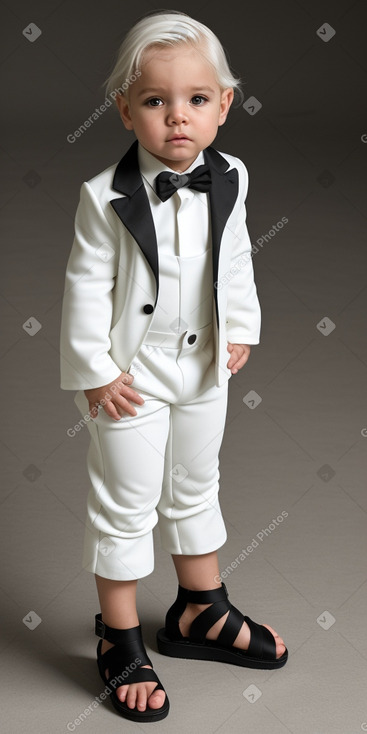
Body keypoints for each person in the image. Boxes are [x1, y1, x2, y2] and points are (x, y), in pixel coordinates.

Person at [60, 9, 287, 724]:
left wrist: (240, 327)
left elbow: (238, 255)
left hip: (201, 370)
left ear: (224, 104)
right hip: (128, 377)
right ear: (125, 110)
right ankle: (119, 637)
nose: (176, 118)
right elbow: (85, 287)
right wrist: (95, 370)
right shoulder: (104, 198)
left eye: (195, 99)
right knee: (126, 501)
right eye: (155, 101)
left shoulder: (233, 177)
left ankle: (199, 609)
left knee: (196, 484)